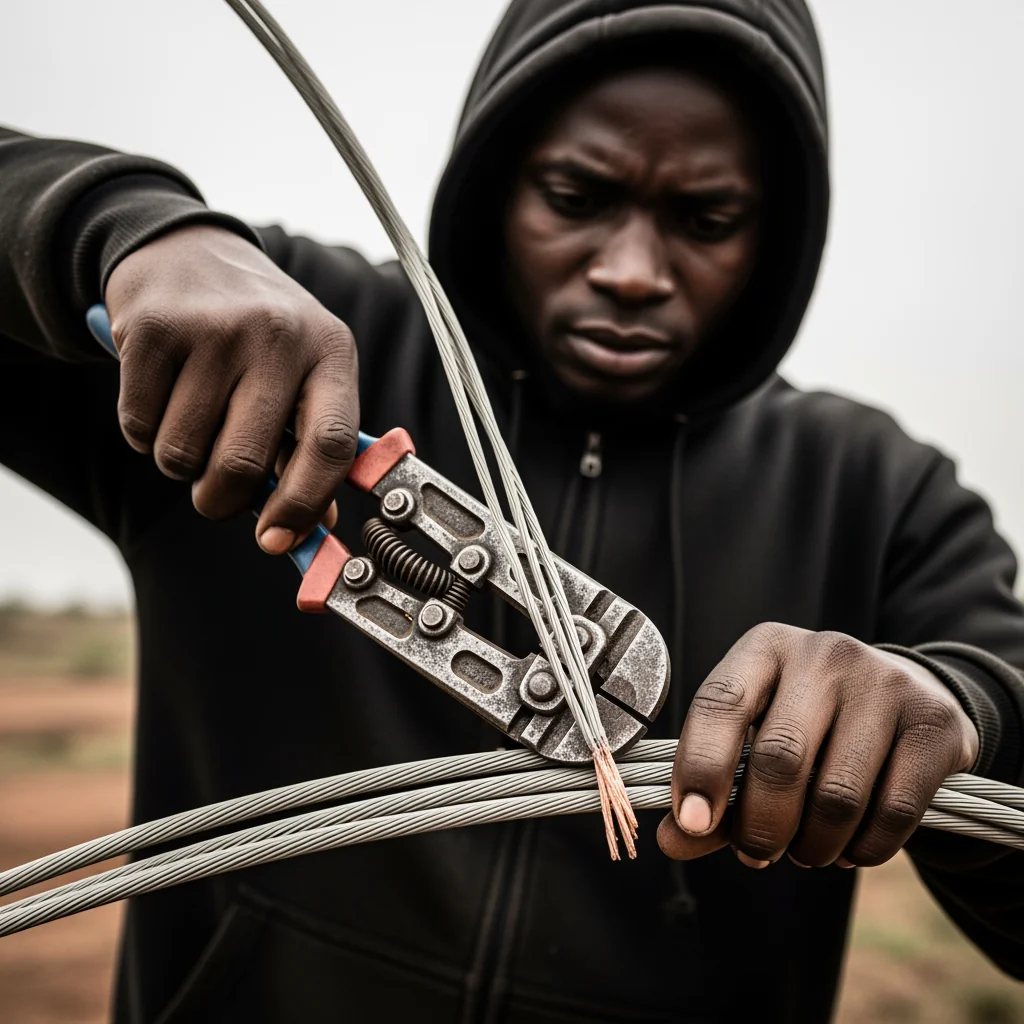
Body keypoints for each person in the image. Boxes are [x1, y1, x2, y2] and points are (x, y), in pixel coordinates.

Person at [2, 0, 1023, 1020]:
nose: (630, 271)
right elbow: (84, 240)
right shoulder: (273, 344)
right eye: (575, 195)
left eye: (708, 218)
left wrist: (964, 708)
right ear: (495, 184)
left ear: (777, 233)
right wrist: (122, 230)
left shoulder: (878, 494)